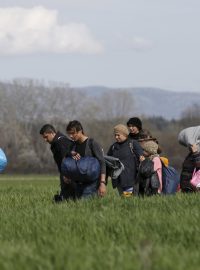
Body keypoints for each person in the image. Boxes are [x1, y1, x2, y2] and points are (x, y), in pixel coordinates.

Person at [66, 120, 106, 199]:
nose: (71, 136)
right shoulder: (73, 146)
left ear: (80, 131)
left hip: (91, 184)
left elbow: (102, 162)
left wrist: (102, 183)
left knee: (85, 206)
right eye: (69, 134)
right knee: (79, 209)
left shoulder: (92, 143)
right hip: (78, 184)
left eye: (73, 133)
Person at [39, 124, 76, 201]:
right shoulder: (60, 140)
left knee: (67, 198)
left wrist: (65, 174)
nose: (45, 140)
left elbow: (65, 158)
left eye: (46, 137)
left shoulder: (59, 142)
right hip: (70, 172)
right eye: (43, 138)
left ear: (52, 133)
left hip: (69, 173)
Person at [107, 124, 143, 197]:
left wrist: (142, 158)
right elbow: (108, 160)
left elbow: (141, 156)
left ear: (125, 134)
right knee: (124, 199)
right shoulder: (113, 147)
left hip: (130, 180)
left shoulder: (133, 144)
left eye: (118, 135)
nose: (116, 137)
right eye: (115, 135)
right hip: (118, 180)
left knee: (128, 198)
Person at [178, 126, 200, 192]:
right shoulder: (191, 154)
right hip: (187, 185)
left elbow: (199, 166)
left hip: (192, 186)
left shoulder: (195, 154)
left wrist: (196, 153)